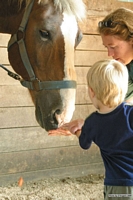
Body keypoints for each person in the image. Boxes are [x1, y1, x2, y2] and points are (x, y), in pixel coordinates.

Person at [49, 59, 133, 200]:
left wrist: (78, 130)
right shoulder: (130, 114)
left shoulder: (93, 122)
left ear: (91, 92)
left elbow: (85, 143)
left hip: (117, 186)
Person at [98, 7, 133, 103]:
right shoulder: (125, 66)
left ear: (131, 40)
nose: (109, 54)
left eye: (113, 47)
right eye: (107, 47)